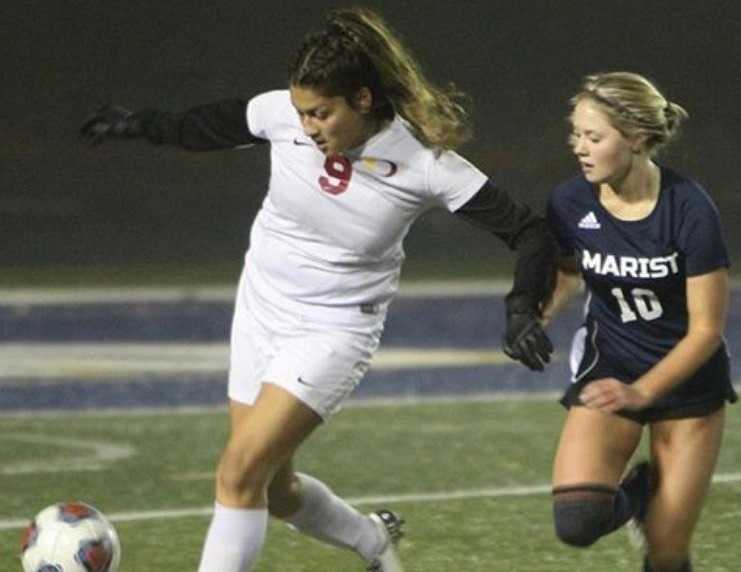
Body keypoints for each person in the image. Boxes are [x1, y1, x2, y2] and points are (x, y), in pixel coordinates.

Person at [80, 7, 556, 571]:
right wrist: (138, 123)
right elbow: (202, 128)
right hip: (260, 307)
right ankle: (371, 540)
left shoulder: (425, 162)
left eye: (321, 114)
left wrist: (521, 305)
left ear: (362, 99)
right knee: (274, 491)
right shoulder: (284, 114)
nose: (307, 126)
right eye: (302, 111)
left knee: (237, 472)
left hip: (335, 327)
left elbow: (529, 232)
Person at [543, 71, 735, 572]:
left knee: (668, 553)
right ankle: (640, 491)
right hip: (612, 368)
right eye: (576, 134)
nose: (579, 148)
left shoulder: (690, 209)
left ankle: (654, 510)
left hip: (687, 384)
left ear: (638, 138)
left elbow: (706, 330)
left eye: (594, 137)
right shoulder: (570, 201)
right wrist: (533, 316)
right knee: (578, 519)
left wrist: (645, 393)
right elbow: (566, 274)